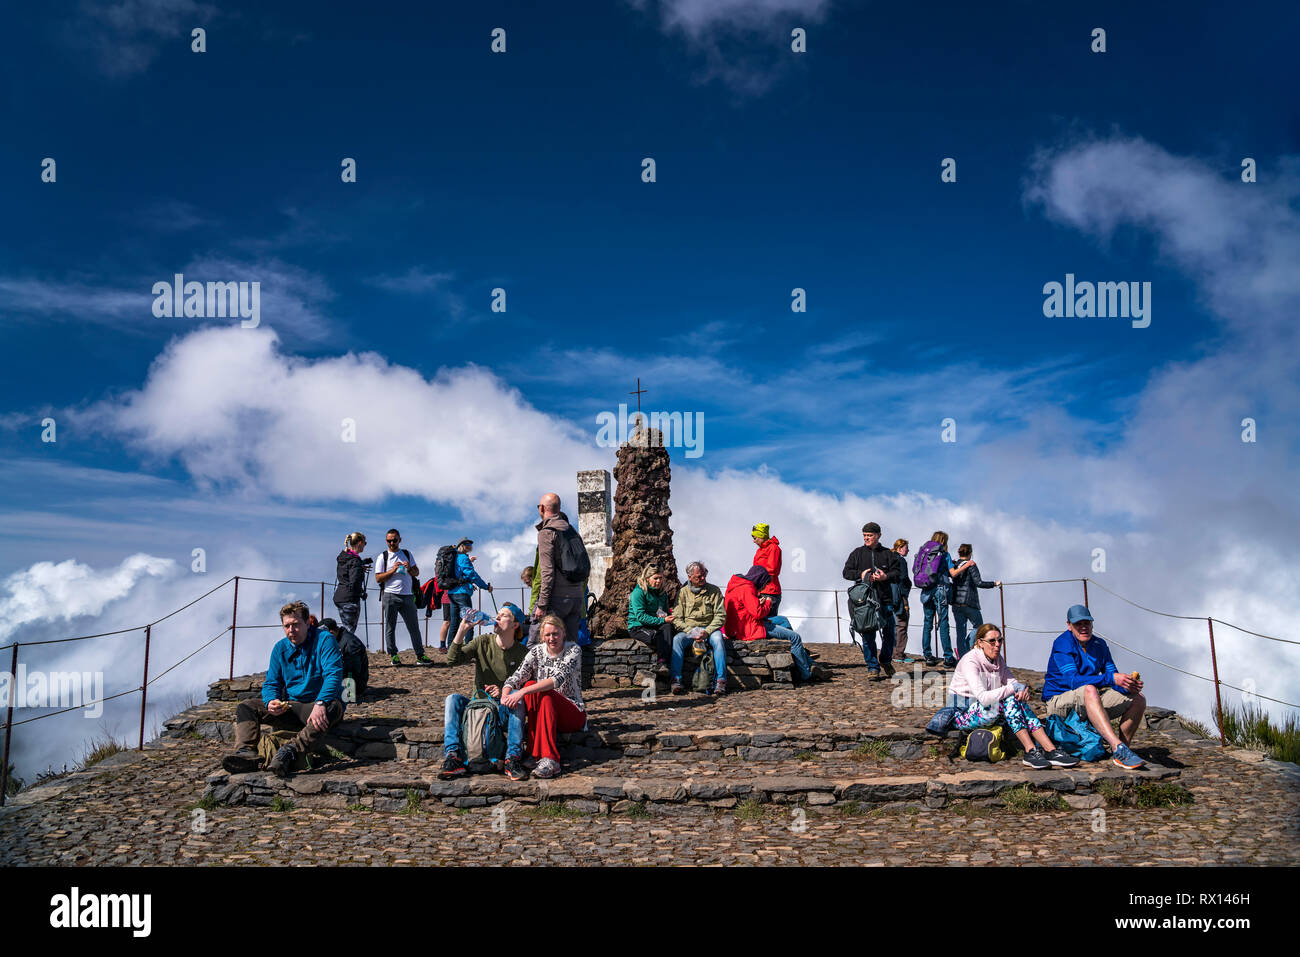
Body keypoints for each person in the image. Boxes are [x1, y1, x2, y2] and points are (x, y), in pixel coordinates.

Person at [221, 601, 345, 777]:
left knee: (333, 706)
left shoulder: (325, 640)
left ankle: (291, 750)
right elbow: (272, 682)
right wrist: (271, 700)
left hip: (317, 706)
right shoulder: (280, 648)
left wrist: (320, 702)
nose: (291, 630)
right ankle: (245, 753)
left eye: (296, 625)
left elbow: (333, 674)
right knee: (247, 707)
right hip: (292, 706)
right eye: (287, 626)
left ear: (307, 623)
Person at [950, 624, 1079, 770]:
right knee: (1009, 698)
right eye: (992, 641)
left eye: (1000, 640)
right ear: (980, 642)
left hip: (988, 710)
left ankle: (1051, 751)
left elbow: (1012, 682)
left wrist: (1022, 690)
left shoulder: (997, 659)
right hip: (963, 713)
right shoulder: (970, 661)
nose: (997, 645)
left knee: (1016, 700)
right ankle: (1031, 751)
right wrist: (1013, 689)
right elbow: (983, 697)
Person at [1043, 605, 1147, 769]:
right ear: (1069, 625)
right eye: (1078, 624)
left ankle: (1124, 751)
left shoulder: (1100, 644)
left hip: (1088, 701)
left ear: (1092, 624)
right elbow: (1073, 681)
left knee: (1138, 699)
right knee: (1090, 689)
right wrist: (1111, 678)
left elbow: (1112, 676)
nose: (1084, 627)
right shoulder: (1062, 644)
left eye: (1087, 623)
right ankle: (1117, 747)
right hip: (1058, 702)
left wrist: (1128, 685)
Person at [439, 602, 531, 782]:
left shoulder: (523, 653)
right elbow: (451, 660)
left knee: (517, 700)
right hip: (477, 708)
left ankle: (512, 758)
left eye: (504, 615)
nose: (497, 617)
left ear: (515, 625)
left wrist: (505, 691)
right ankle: (453, 756)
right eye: (498, 613)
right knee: (453, 699)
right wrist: (462, 630)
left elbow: (527, 686)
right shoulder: (483, 642)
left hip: (502, 710)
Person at [502, 615, 586, 780]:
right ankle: (534, 753)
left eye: (555, 633)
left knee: (540, 691)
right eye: (547, 635)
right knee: (529, 684)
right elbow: (517, 676)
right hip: (546, 710)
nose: (551, 638)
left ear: (563, 633)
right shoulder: (537, 651)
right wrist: (506, 693)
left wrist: (522, 693)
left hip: (572, 712)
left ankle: (551, 759)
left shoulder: (574, 650)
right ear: (542, 636)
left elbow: (556, 680)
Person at [724, 565, 821, 683]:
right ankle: (806, 674)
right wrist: (767, 603)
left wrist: (758, 602)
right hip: (750, 628)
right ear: (759, 579)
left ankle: (801, 661)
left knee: (783, 620)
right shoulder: (747, 588)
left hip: (741, 625)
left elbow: (745, 607)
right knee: (795, 637)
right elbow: (758, 613)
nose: (763, 587)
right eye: (764, 583)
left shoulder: (737, 585)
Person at [841, 521, 902, 680]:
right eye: (865, 536)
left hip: (885, 599)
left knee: (890, 632)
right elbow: (846, 572)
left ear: (878, 535)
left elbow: (898, 573)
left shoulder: (888, 554)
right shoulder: (857, 553)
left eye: (870, 535)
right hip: (864, 602)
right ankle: (872, 667)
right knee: (867, 634)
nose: (866, 538)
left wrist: (885, 576)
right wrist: (861, 575)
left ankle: (886, 660)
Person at [533, 493, 586, 642]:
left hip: (557, 599)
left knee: (548, 645)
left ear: (542, 508)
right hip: (576, 597)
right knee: (571, 645)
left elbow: (547, 572)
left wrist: (542, 604)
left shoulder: (547, 532)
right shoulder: (571, 530)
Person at [669, 561, 727, 696]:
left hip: (709, 629)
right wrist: (691, 631)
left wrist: (707, 631)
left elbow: (720, 615)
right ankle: (676, 679)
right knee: (677, 640)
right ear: (689, 577)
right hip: (689, 629)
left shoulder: (714, 591)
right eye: (698, 577)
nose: (702, 579)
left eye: (703, 575)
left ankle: (721, 681)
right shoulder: (682, 593)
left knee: (718, 640)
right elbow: (676, 618)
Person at [374, 528, 431, 665]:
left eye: (394, 540)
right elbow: (378, 578)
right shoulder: (383, 557)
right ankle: (393, 655)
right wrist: (392, 570)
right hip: (390, 595)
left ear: (400, 540)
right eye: (389, 541)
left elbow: (416, 572)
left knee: (414, 627)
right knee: (390, 627)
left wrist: (409, 568)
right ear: (386, 541)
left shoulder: (407, 553)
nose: (392, 543)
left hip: (408, 596)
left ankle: (420, 655)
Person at [915, 531, 957, 668]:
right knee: (943, 622)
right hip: (941, 590)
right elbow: (952, 573)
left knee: (927, 622)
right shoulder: (944, 554)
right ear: (944, 541)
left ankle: (927, 655)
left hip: (926, 589)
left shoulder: (924, 552)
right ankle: (948, 657)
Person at [950, 543, 1001, 658]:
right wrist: (994, 584)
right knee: (979, 627)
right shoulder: (971, 565)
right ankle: (968, 648)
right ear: (971, 554)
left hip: (956, 603)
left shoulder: (954, 566)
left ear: (959, 553)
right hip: (969, 602)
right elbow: (979, 583)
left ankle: (962, 655)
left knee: (960, 631)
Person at [628, 563, 674, 673]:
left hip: (655, 624)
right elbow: (641, 617)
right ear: (647, 578)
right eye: (655, 578)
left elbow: (666, 612)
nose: (658, 581)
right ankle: (661, 663)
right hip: (638, 627)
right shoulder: (638, 592)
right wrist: (662, 620)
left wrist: (668, 618)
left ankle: (667, 664)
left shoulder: (662, 593)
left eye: (661, 578)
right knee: (660, 636)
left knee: (668, 628)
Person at [446, 537, 493, 641]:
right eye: (467, 545)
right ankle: (468, 648)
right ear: (462, 546)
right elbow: (472, 575)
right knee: (469, 621)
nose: (470, 547)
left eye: (470, 545)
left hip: (452, 592)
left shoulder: (454, 558)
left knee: (454, 622)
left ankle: (451, 649)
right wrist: (485, 586)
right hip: (462, 593)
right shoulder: (463, 558)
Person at [332, 532, 368, 634]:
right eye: (365, 543)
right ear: (360, 543)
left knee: (346, 628)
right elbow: (354, 582)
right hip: (350, 599)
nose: (365, 546)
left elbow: (346, 573)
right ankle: (344, 649)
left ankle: (340, 647)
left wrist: (360, 568)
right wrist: (362, 593)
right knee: (349, 631)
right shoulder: (355, 561)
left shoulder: (343, 557)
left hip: (340, 596)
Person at [750, 523, 783, 617]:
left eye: (755, 537)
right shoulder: (759, 550)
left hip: (770, 592)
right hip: (759, 591)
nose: (753, 541)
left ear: (761, 536)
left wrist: (756, 578)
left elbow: (772, 570)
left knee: (769, 623)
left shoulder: (774, 548)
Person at [891, 539, 914, 662]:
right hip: (900, 596)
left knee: (892, 624)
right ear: (900, 548)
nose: (908, 550)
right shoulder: (901, 560)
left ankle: (891, 651)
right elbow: (904, 577)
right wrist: (908, 586)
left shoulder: (889, 558)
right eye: (906, 548)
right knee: (902, 623)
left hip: (889, 595)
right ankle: (899, 653)